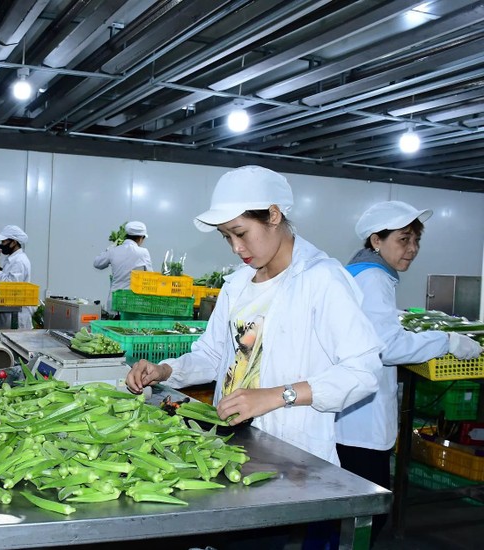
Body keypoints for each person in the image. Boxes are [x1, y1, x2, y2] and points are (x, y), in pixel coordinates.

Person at [125, 165, 383, 466]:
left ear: (273, 215)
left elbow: (363, 372)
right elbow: (213, 355)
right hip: (228, 445)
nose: (236, 247)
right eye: (226, 237)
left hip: (295, 462)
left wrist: (276, 396)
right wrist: (166, 370)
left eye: (241, 233)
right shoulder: (238, 284)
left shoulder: (322, 280)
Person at [335, 200, 482, 541]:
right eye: (404, 239)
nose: (412, 249)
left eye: (416, 240)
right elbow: (388, 346)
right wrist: (446, 341)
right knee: (365, 519)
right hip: (360, 420)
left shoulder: (358, 273)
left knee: (340, 514)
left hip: (346, 415)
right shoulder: (373, 279)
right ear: (376, 241)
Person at [93, 220, 153, 313]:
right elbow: (150, 276)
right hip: (133, 302)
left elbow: (97, 263)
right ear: (141, 237)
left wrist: (111, 247)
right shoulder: (143, 252)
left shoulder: (114, 250)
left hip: (114, 301)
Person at [0, 224, 35, 330]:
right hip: (7, 313)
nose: (1, 245)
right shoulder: (12, 259)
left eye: (4, 242)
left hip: (16, 315)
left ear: (14, 242)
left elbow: (10, 285)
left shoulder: (19, 261)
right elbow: (6, 275)